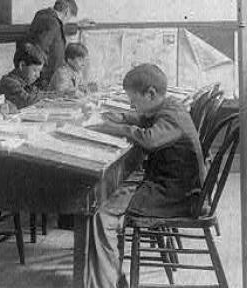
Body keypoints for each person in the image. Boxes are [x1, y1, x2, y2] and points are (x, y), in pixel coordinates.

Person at [85, 64, 206, 288]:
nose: (132, 105)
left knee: (102, 214)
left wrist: (111, 128)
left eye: (134, 100)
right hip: (172, 186)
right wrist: (123, 117)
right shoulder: (171, 106)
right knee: (109, 200)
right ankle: (111, 277)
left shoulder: (172, 118)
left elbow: (149, 138)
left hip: (177, 195)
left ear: (150, 94)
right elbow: (146, 119)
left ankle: (105, 283)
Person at [26, 0, 78, 89]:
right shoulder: (53, 23)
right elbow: (40, 50)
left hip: (39, 74)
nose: (66, 22)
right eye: (69, 18)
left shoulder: (43, 16)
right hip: (45, 77)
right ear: (66, 12)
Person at [0, 40, 52, 110]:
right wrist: (48, 96)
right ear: (22, 65)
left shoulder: (25, 83)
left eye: (39, 71)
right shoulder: (9, 83)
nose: (38, 75)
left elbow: (36, 94)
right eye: (35, 70)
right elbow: (26, 101)